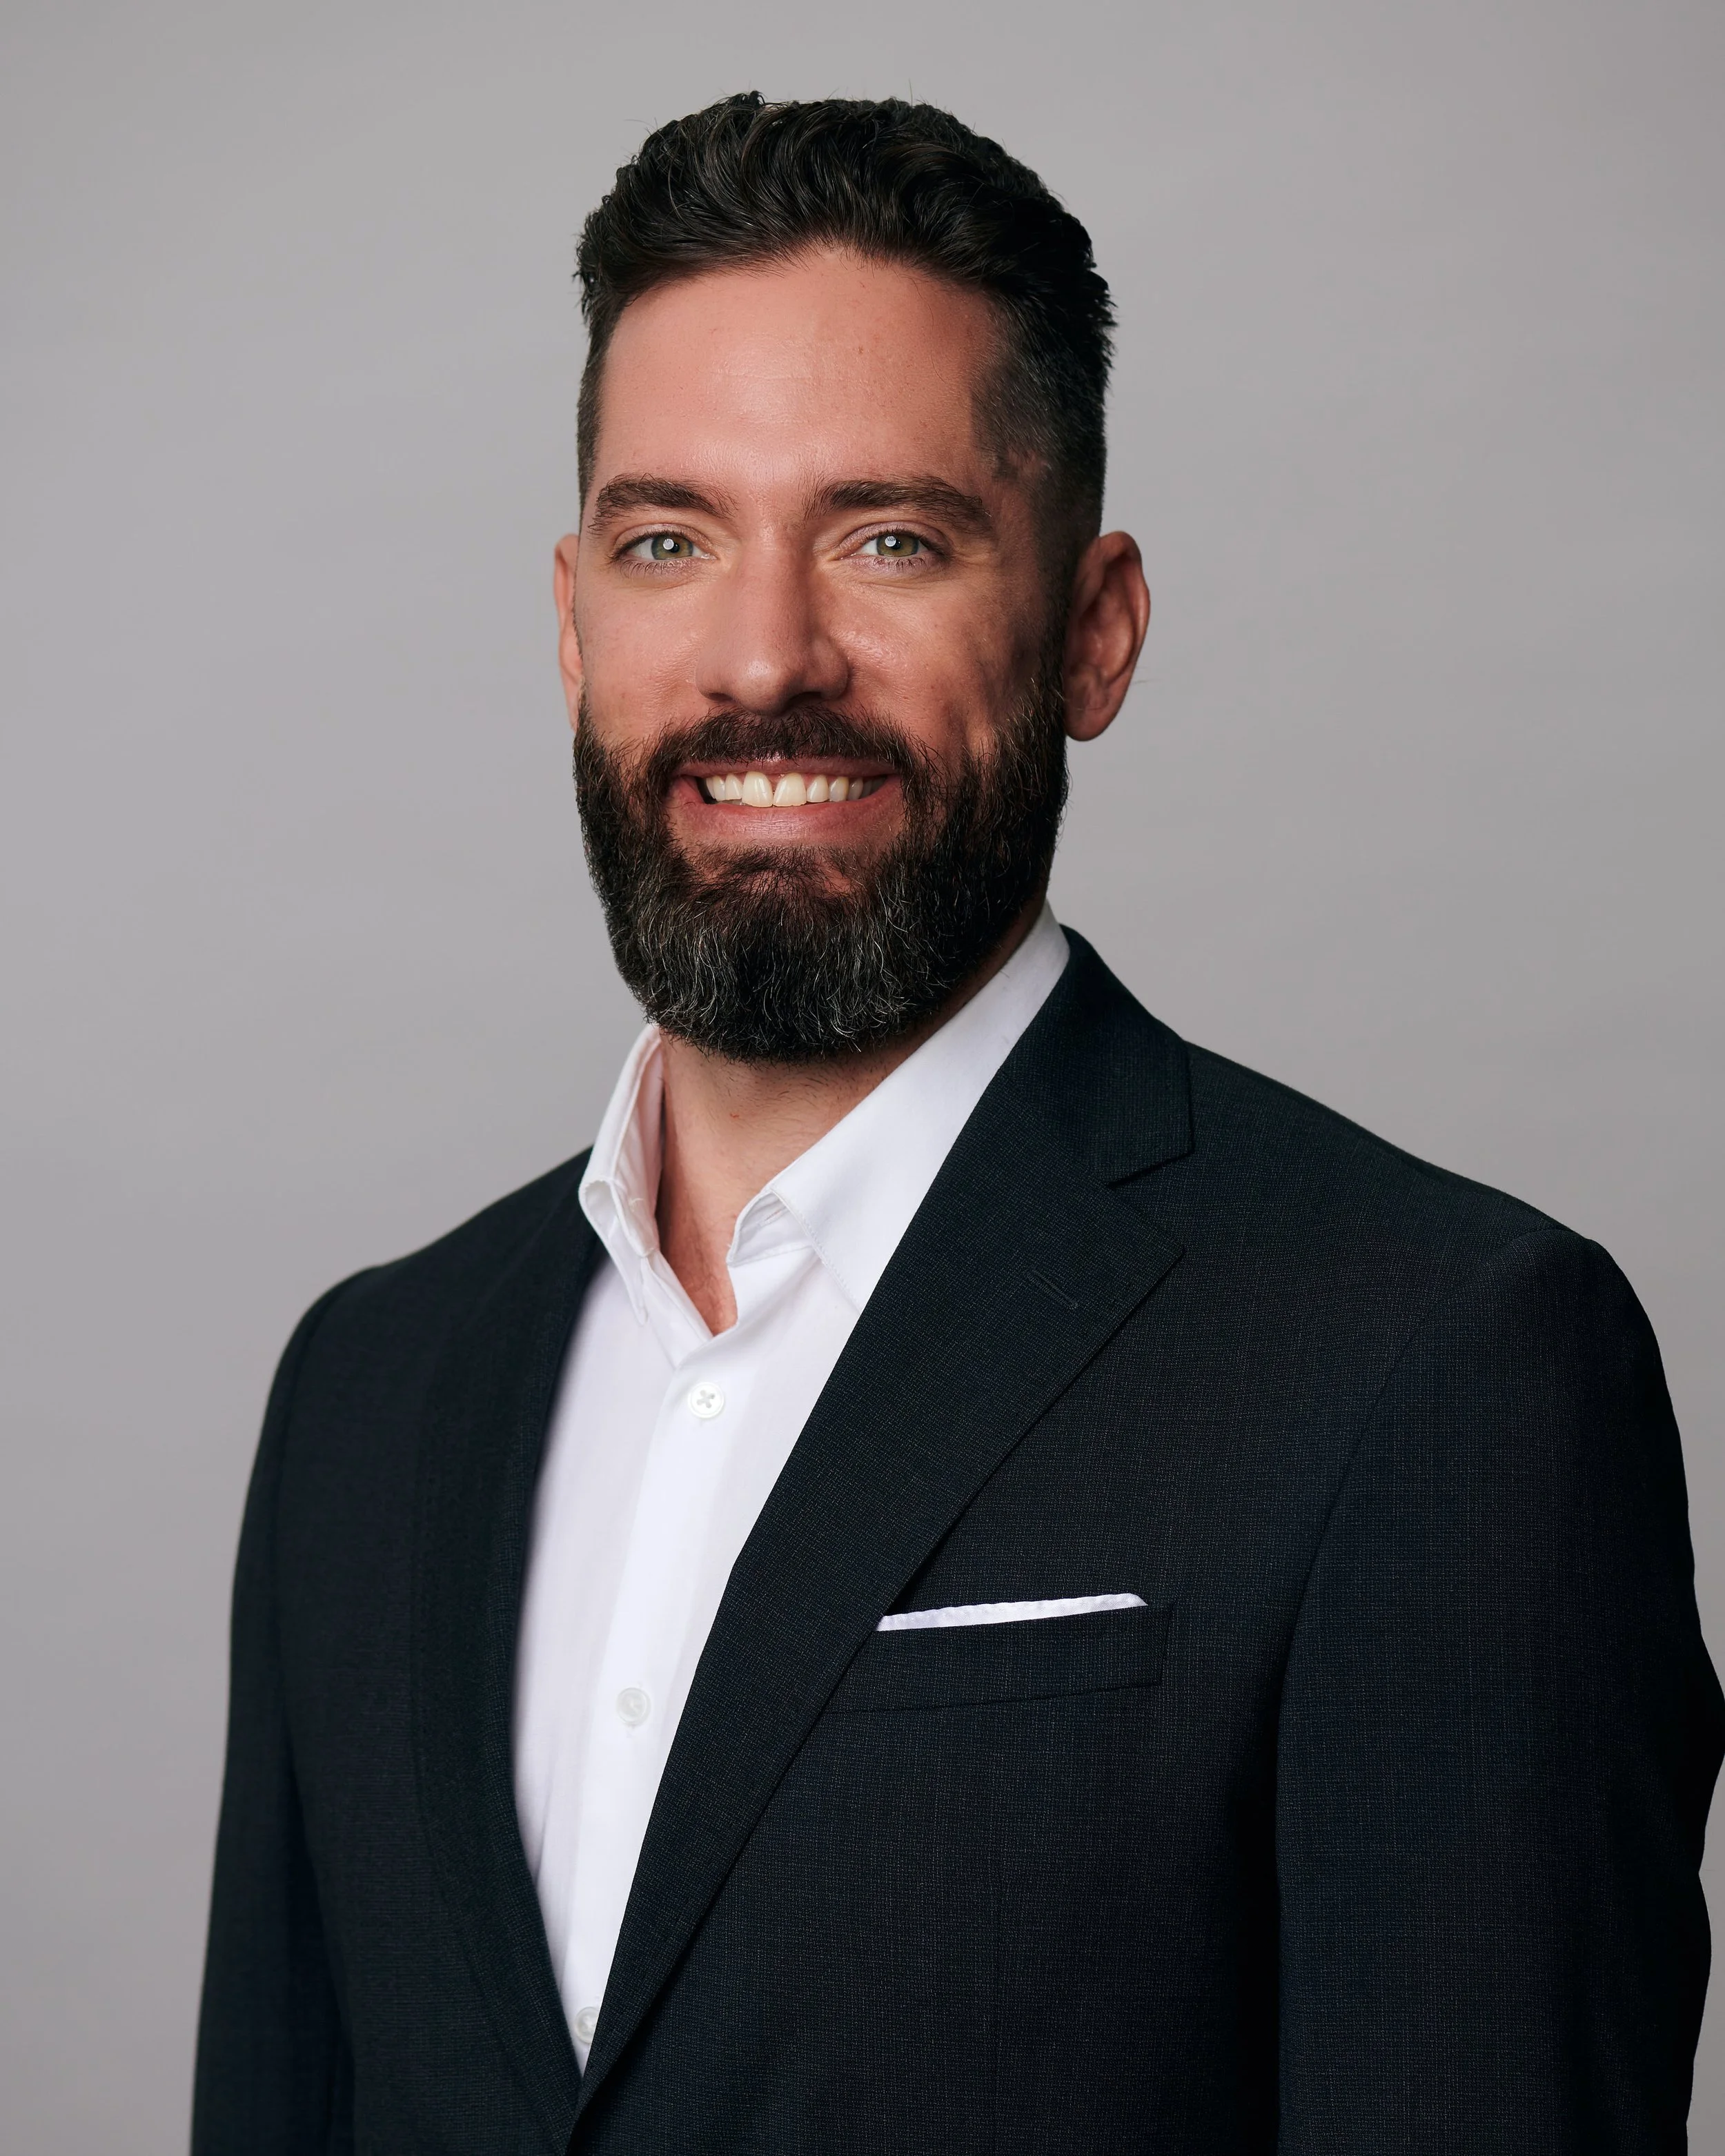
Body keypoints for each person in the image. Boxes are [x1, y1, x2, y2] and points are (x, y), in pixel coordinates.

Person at [191, 92, 1722, 2155]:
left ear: (1090, 630)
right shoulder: (368, 1390)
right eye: (669, 540)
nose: (762, 659)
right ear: (572, 624)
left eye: (888, 537)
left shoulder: (1429, 1356)